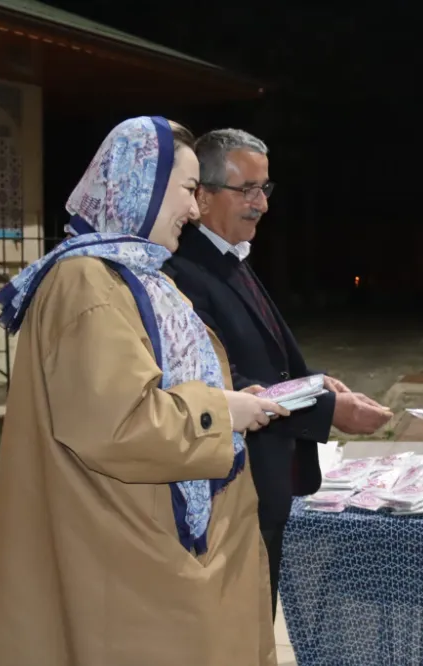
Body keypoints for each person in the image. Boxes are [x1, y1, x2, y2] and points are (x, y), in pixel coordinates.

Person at [0, 117, 288, 666]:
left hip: (147, 539)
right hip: (129, 552)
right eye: (189, 191)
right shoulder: (87, 283)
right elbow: (118, 425)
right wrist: (224, 412)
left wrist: (230, 399)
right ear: (141, 185)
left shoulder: (133, 274)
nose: (194, 211)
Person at [164, 128, 393, 615]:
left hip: (268, 486)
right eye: (246, 190)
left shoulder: (230, 258)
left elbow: (271, 360)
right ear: (201, 196)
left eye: (264, 189)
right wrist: (330, 410)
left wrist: (316, 382)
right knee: (237, 630)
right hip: (234, 490)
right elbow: (230, 384)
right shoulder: (186, 271)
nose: (261, 204)